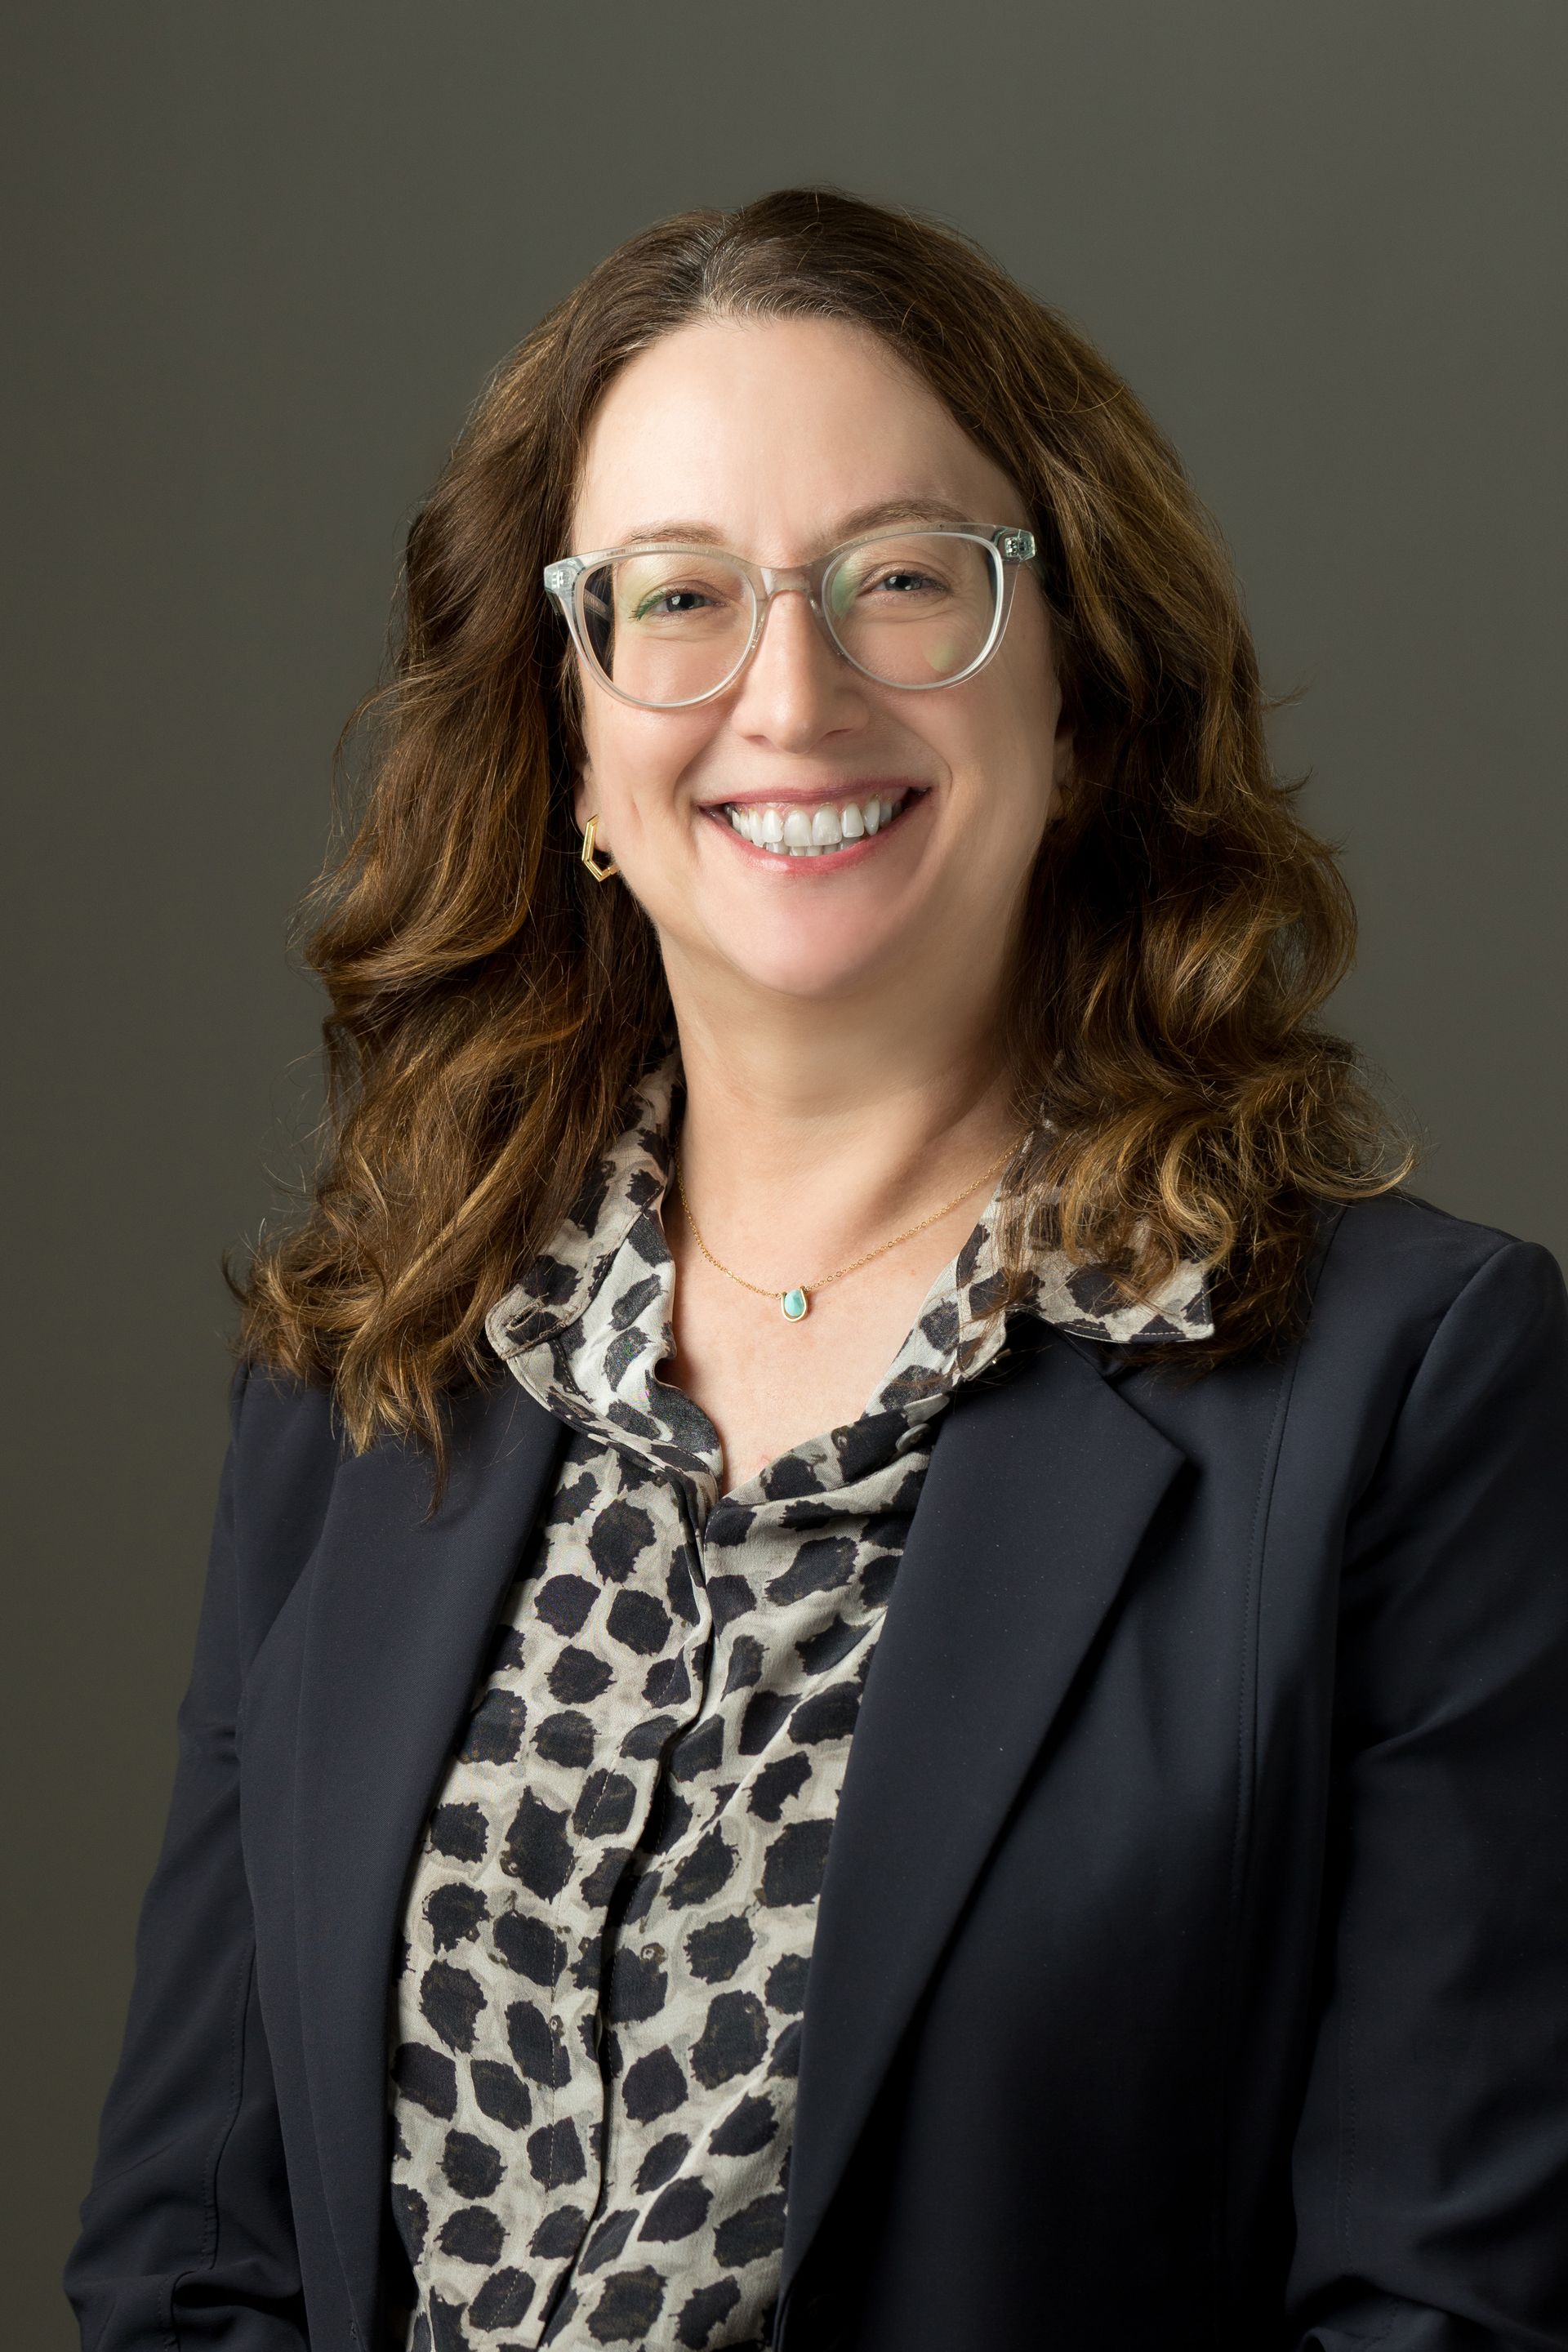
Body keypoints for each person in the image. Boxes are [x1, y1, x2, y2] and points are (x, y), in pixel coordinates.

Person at [64, 187, 1568, 2352]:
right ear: (573, 734)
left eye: (903, 582)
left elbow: (1441, 2310)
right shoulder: (368, 1370)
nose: (791, 693)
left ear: (1078, 700)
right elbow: (190, 2258)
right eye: (674, 598)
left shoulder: (1401, 1392)